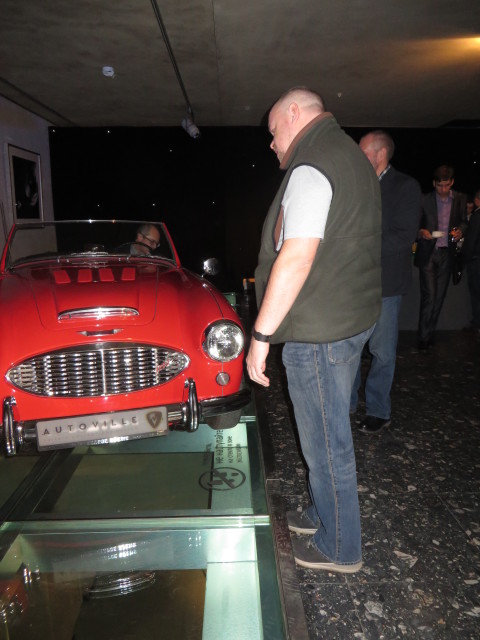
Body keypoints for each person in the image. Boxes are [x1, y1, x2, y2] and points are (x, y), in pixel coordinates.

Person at [246, 87, 381, 573]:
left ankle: (339, 546)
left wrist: (260, 337)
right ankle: (326, 512)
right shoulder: (349, 155)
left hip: (320, 330)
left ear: (294, 114)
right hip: (350, 318)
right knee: (329, 430)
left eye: (273, 131)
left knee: (326, 442)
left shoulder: (312, 165)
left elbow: (297, 257)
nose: (271, 143)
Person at [351, 131, 422, 434]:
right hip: (355, 283)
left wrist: (359, 246)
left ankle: (378, 410)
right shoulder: (358, 184)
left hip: (386, 286)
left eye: (363, 151)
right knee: (350, 348)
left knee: (382, 352)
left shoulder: (406, 186)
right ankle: (346, 404)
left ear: (380, 154)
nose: (358, 156)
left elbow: (404, 236)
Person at [415, 165, 467, 349]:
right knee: (429, 295)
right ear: (434, 183)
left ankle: (429, 333)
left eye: (446, 185)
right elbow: (415, 223)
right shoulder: (424, 199)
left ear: (452, 182)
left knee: (439, 297)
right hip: (429, 253)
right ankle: (423, 337)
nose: (443, 189)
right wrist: (421, 232)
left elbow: (464, 221)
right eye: (439, 186)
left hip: (447, 253)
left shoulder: (460, 199)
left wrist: (461, 230)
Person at [463, 188, 480, 334]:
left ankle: (477, 322)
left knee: (476, 293)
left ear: (476, 200)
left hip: (476, 261)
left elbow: (471, 240)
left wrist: (464, 257)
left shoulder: (476, 216)